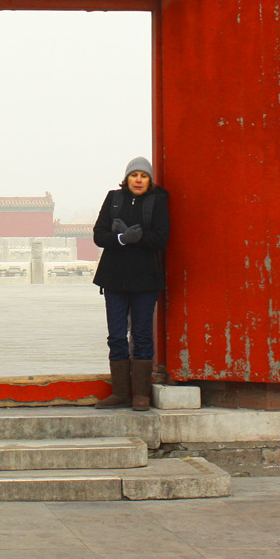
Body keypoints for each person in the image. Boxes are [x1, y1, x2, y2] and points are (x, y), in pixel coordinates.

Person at [91, 157, 170, 411]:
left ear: (150, 180)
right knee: (116, 335)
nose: (138, 179)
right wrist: (123, 238)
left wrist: (137, 237)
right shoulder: (114, 199)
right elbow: (99, 236)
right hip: (113, 278)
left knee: (142, 335)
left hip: (145, 279)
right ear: (126, 179)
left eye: (144, 176)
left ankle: (140, 395)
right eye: (134, 175)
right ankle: (120, 393)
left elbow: (161, 238)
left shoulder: (157, 201)